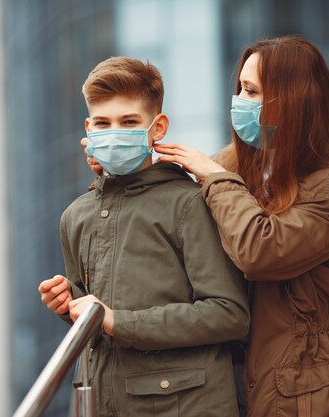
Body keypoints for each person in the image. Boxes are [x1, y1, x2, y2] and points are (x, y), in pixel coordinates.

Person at [83, 36, 329, 417]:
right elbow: (173, 207)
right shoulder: (235, 162)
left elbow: (261, 252)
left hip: (303, 387)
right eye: (240, 89)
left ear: (292, 100)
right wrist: (116, 171)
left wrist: (214, 177)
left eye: (252, 92)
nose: (240, 101)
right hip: (227, 379)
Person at [38, 57, 250, 417]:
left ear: (158, 127)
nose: (114, 132)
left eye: (129, 121)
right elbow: (97, 314)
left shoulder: (189, 204)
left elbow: (229, 314)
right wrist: (69, 301)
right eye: (103, 123)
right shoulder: (75, 216)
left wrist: (116, 321)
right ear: (88, 128)